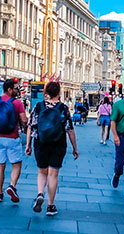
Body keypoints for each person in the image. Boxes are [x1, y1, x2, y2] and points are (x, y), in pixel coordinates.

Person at [25, 82, 79, 216]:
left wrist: (28, 145)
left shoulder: (38, 106)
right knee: (53, 175)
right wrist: (75, 148)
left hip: (40, 143)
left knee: (42, 172)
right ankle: (51, 206)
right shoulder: (63, 109)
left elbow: (31, 127)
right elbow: (70, 130)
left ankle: (39, 194)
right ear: (59, 93)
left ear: (46, 92)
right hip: (58, 143)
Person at [0, 79, 28, 203]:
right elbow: (24, 120)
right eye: (16, 89)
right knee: (16, 164)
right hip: (12, 137)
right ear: (9, 90)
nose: (18, 91)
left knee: (0, 166)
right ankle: (12, 186)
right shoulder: (17, 103)